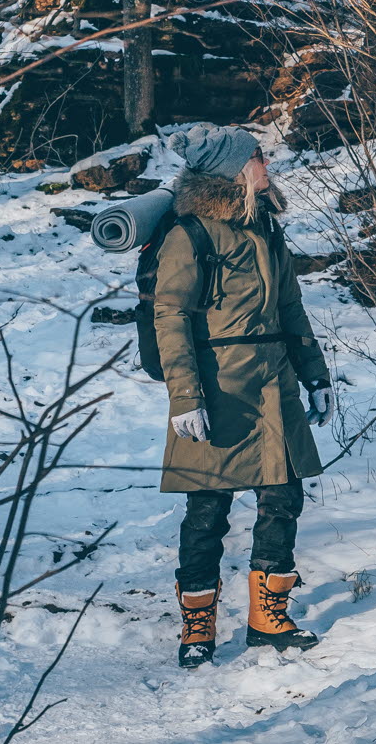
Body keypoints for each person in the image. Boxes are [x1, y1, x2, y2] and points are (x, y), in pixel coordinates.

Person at [150, 125, 335, 668]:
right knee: (208, 509)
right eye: (258, 157)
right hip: (217, 388)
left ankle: (267, 619)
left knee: (283, 499)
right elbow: (170, 316)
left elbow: (291, 308)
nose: (267, 163)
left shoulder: (266, 227)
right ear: (233, 170)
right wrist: (185, 397)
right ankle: (197, 625)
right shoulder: (190, 234)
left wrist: (317, 376)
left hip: (275, 383)